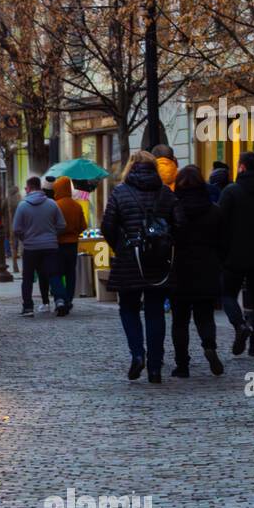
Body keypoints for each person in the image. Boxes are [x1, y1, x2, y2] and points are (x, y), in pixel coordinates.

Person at [101, 151, 181, 383]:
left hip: (130, 259)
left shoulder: (120, 192)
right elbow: (180, 223)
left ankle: (137, 354)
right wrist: (166, 244)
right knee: (155, 311)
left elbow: (108, 225)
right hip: (158, 262)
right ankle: (155, 367)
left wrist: (120, 246)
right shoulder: (165, 193)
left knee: (128, 308)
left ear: (130, 167)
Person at [217, 151, 254, 358]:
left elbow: (221, 223)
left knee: (228, 294)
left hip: (234, 254)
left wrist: (223, 249)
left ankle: (240, 325)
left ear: (242, 167)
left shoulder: (231, 192)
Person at [170, 165, 224, 377]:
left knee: (180, 320)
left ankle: (182, 364)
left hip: (180, 269)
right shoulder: (214, 211)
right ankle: (209, 345)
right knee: (205, 315)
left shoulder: (174, 210)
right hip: (207, 267)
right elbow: (224, 241)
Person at [12, 175, 65, 316]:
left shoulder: (22, 206)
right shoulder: (52, 204)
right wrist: (52, 235)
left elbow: (16, 229)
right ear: (40, 187)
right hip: (50, 246)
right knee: (54, 274)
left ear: (29, 188)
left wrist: (25, 238)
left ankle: (28, 307)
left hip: (30, 247)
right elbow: (61, 225)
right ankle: (60, 301)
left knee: (28, 278)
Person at [51, 177, 84, 316]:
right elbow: (83, 226)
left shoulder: (55, 205)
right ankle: (69, 299)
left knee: (56, 272)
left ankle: (61, 298)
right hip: (73, 244)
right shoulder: (77, 206)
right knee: (71, 273)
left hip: (58, 243)